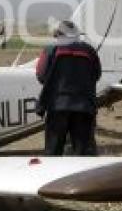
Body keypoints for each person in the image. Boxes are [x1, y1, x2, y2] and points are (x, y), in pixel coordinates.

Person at [35, 20, 102, 156]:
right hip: (84, 107)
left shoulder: (51, 49)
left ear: (59, 34)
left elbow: (41, 75)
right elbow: (97, 74)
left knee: (53, 151)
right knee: (82, 152)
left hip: (57, 106)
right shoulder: (89, 50)